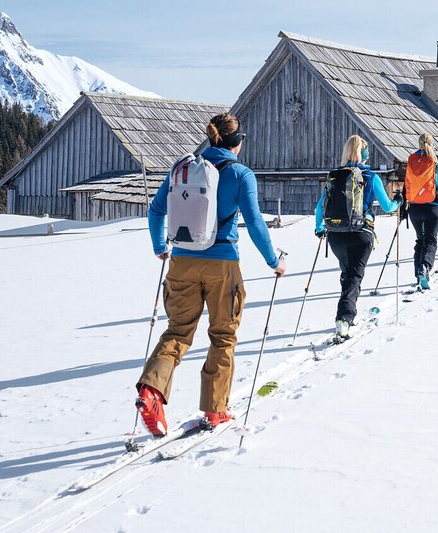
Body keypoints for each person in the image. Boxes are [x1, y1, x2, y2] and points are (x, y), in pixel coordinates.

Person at [135, 113, 286, 436]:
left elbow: (156, 209)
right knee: (222, 336)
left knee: (176, 332)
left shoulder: (183, 168)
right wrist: (274, 261)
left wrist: (160, 245)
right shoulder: (241, 174)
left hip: (182, 262)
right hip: (222, 264)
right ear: (236, 142)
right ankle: (216, 410)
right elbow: (256, 223)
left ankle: (150, 391)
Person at [315, 135, 401, 340]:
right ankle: (344, 319)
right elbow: (388, 207)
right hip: (361, 234)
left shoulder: (335, 175)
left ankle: (347, 314)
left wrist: (319, 228)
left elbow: (320, 206)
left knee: (348, 274)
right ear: (364, 154)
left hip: (335, 235)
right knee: (354, 276)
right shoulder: (371, 176)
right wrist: (398, 199)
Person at [404, 133, 438, 290]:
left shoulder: (412, 159)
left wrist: (403, 206)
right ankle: (425, 266)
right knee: (430, 240)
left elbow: (406, 183)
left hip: (414, 207)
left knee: (420, 240)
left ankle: (418, 273)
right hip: (433, 206)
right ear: (432, 143)